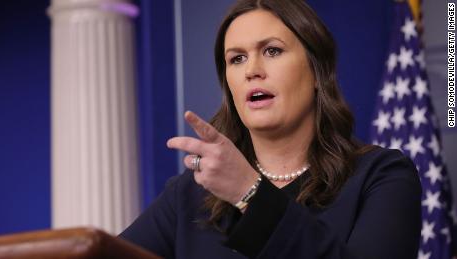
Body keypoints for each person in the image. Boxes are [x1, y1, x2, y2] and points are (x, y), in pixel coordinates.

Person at [119, 0, 422, 258]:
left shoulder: (382, 176)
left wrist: (249, 193)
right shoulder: (190, 193)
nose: (252, 70)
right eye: (237, 59)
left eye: (272, 51)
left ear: (317, 72)